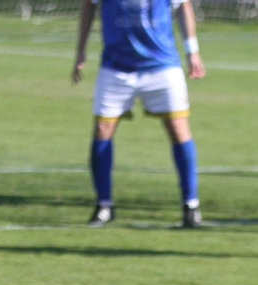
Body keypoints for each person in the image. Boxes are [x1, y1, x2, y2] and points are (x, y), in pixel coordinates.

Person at [72, 0, 204, 228]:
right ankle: (104, 204)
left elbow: (184, 5)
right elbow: (89, 6)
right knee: (103, 129)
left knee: (178, 128)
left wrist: (192, 51)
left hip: (162, 65)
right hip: (115, 67)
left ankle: (190, 205)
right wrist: (81, 50)